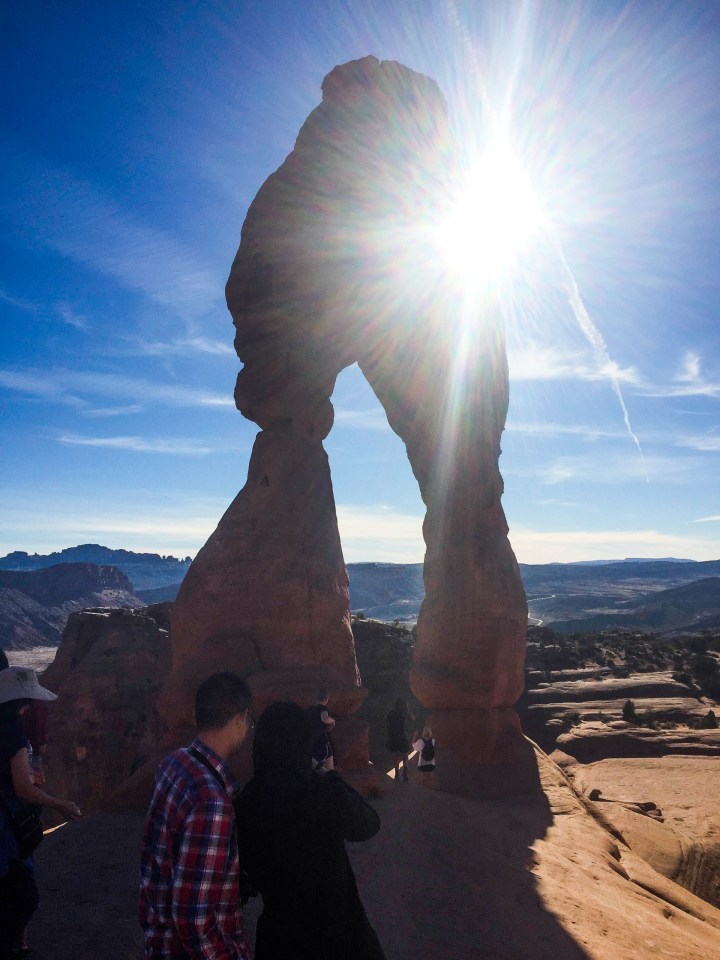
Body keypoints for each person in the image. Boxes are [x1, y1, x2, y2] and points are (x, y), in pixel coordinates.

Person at [235, 701, 386, 959]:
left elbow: (245, 874)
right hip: (338, 935)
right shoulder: (320, 791)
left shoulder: (247, 800)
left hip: (280, 938)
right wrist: (330, 777)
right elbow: (368, 823)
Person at [139, 672, 254, 960]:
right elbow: (193, 918)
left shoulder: (176, 761)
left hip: (159, 941)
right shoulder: (211, 801)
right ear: (241, 718)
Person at [0, 665, 82, 960]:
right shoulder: (12, 735)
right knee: (23, 896)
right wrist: (60, 804)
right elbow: (23, 788)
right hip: (6, 827)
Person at [306, 687, 336, 771]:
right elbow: (324, 719)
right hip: (322, 742)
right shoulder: (322, 708)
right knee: (329, 769)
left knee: (315, 768)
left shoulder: (309, 710)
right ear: (326, 699)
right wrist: (333, 720)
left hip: (311, 743)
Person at [385, 698, 414, 782]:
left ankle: (397, 772)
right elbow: (413, 718)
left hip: (394, 736)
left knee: (396, 755)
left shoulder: (391, 713)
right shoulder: (404, 713)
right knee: (404, 755)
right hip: (402, 736)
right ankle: (404, 773)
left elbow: (388, 725)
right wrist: (408, 709)